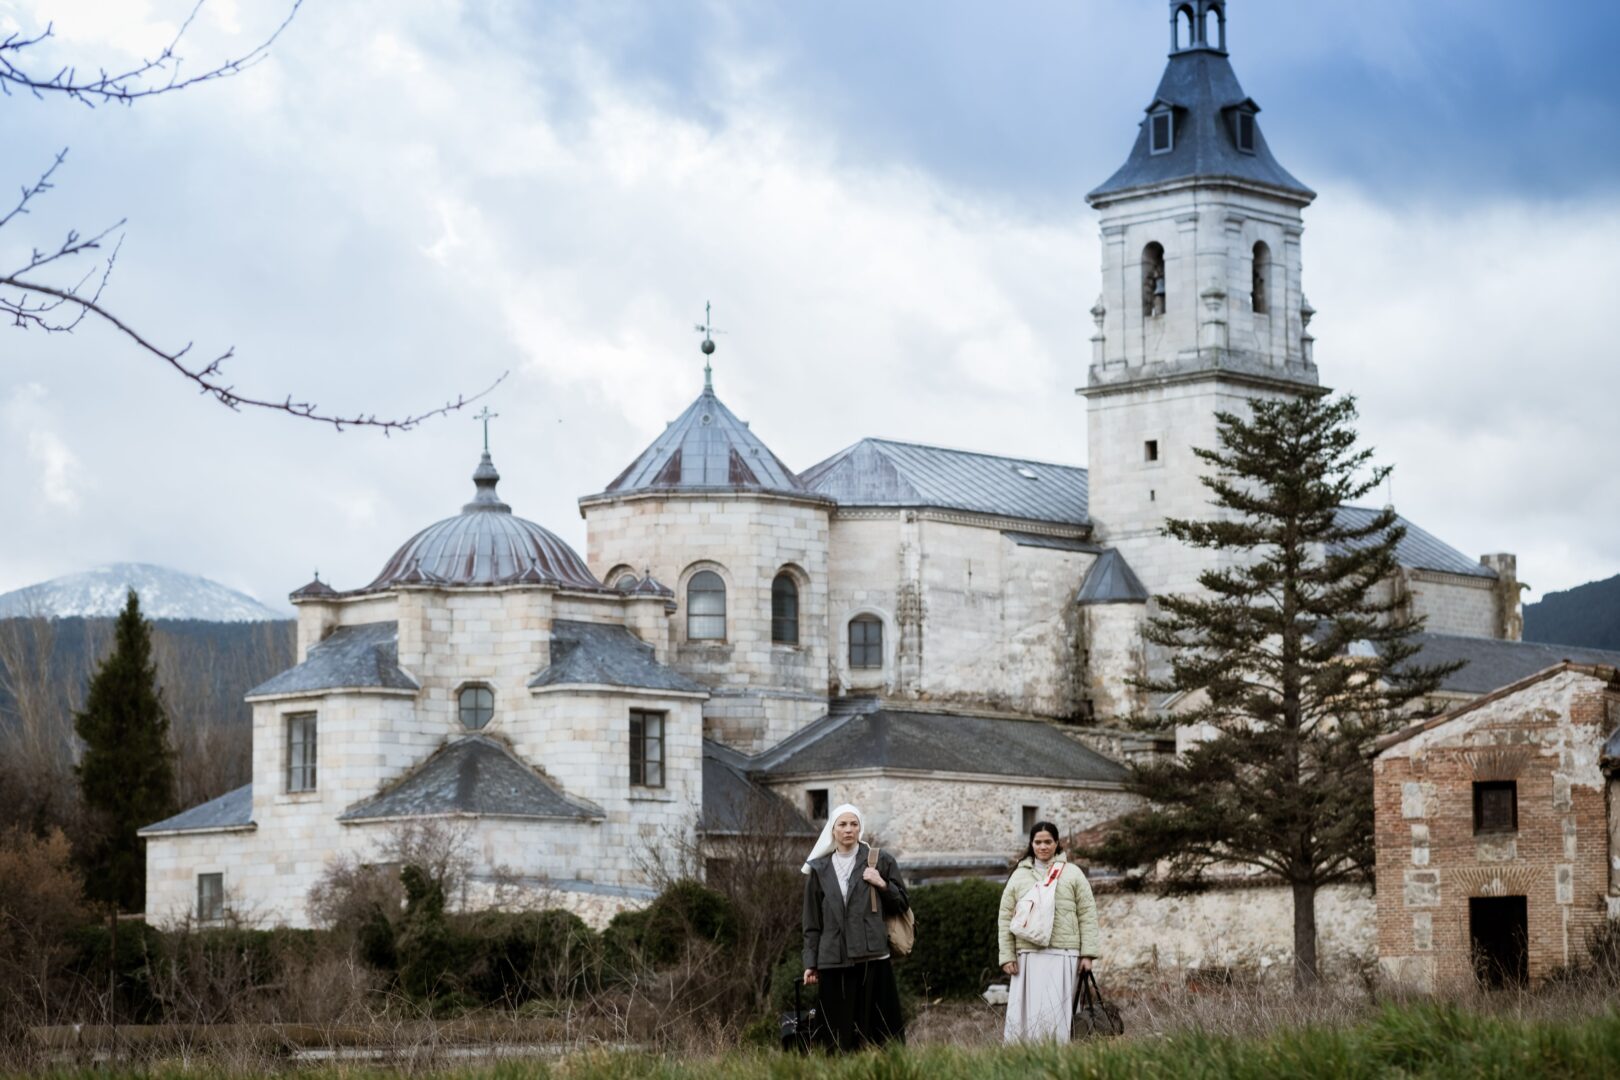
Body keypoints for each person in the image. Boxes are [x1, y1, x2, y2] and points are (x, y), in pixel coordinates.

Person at [801, 804, 909, 1050]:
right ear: (833, 830)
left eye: (854, 824)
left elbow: (902, 903)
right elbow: (811, 922)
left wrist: (881, 883)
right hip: (833, 961)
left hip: (873, 959)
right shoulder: (819, 869)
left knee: (884, 1035)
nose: (848, 829)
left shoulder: (881, 860)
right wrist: (810, 962)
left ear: (860, 828)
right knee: (835, 1038)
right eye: (842, 824)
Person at [997, 820, 1100, 1043]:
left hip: (1064, 953)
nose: (1043, 846)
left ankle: (1057, 1062)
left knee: (1057, 1013)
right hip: (1028, 954)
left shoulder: (1073, 874)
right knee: (1027, 1016)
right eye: (1038, 842)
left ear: (1056, 844)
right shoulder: (1019, 875)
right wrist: (1006, 955)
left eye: (1048, 842)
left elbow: (1087, 914)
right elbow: (1005, 916)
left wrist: (1088, 954)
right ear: (1031, 844)